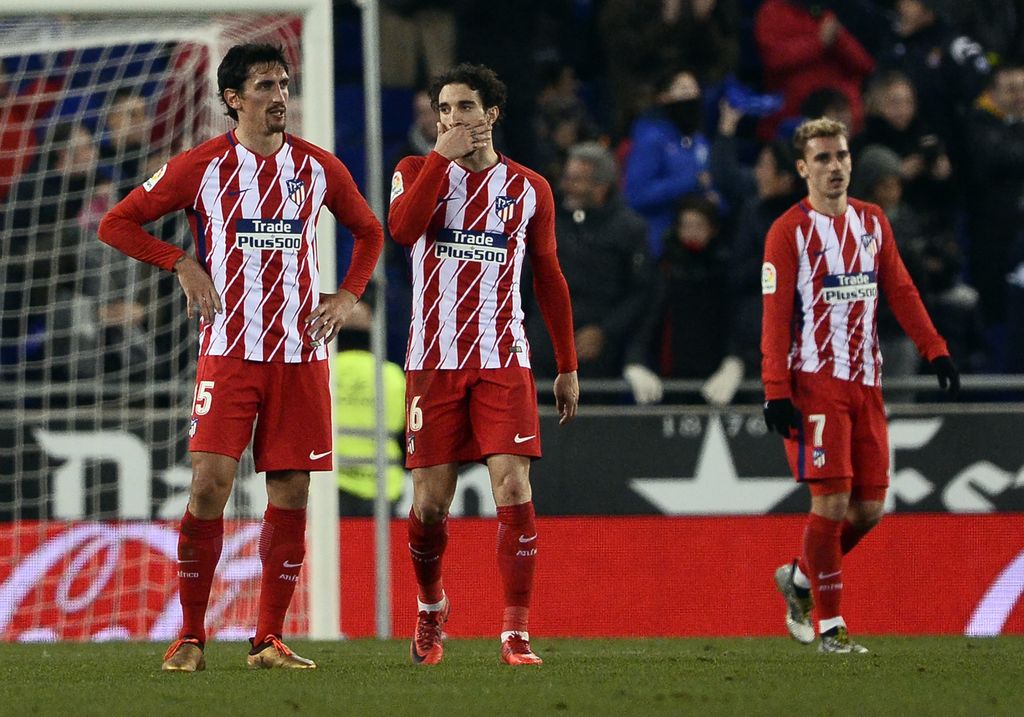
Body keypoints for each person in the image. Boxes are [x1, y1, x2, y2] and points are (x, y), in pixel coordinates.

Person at [97, 43, 384, 672]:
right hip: (229, 351)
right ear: (233, 99)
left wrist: (349, 294)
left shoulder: (319, 168)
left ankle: (268, 640)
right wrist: (181, 262)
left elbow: (370, 230)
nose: (279, 96)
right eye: (264, 86)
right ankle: (191, 637)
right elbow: (116, 224)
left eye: (283, 84)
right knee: (209, 485)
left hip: (300, 356)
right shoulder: (200, 166)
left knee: (290, 487)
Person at [387, 62, 578, 666]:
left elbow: (547, 275)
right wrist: (440, 159)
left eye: (463, 108)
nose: (451, 121)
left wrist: (566, 364)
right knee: (430, 507)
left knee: (514, 487)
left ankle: (515, 632)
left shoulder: (529, 189)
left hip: (504, 359)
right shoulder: (415, 172)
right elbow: (402, 229)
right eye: (443, 110)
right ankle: (429, 606)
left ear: (491, 115)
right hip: (434, 362)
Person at [761, 117, 959, 654]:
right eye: (822, 159)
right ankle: (831, 628)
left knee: (869, 509)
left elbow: (900, 287)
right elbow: (775, 317)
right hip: (814, 384)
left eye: (842, 156)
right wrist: (775, 389)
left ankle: (800, 578)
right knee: (831, 502)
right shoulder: (788, 231)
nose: (835, 167)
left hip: (867, 383)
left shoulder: (873, 222)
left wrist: (934, 347)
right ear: (802, 168)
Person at [526, 141, 659, 404]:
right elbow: (525, 281)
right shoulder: (546, 220)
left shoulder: (628, 228)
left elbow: (642, 292)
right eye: (566, 177)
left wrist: (604, 331)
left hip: (595, 356)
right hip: (541, 350)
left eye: (576, 180)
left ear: (601, 185)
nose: (566, 186)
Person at [333, 296, 407, 517]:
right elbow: (410, 438)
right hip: (383, 488)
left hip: (332, 487)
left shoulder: (322, 374)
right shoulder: (392, 376)